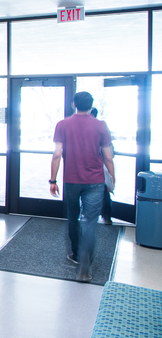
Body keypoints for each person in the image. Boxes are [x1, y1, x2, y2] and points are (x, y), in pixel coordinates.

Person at [50, 91, 114, 282]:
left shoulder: (62, 125)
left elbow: (57, 154)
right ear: (91, 105)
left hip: (71, 179)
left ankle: (76, 254)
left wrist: (52, 180)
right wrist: (111, 176)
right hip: (95, 180)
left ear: (73, 104)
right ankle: (85, 263)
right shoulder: (101, 125)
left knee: (73, 217)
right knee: (90, 221)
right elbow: (108, 156)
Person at [90, 107, 115, 225]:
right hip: (99, 167)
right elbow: (110, 152)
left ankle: (95, 216)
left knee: (99, 192)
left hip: (92, 168)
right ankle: (106, 217)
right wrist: (111, 174)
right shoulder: (102, 127)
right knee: (104, 192)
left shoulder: (96, 128)